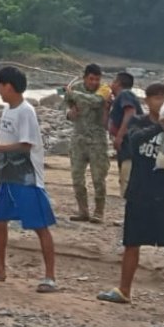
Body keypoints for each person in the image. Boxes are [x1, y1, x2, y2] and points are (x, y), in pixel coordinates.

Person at [97, 83, 164, 317]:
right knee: (131, 244)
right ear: (147, 101)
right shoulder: (139, 122)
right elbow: (133, 141)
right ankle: (124, 291)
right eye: (154, 97)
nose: (159, 102)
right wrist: (158, 128)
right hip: (139, 193)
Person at [0, 66, 58, 292]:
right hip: (8, 176)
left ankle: (50, 277)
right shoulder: (8, 110)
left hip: (27, 177)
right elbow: (7, 142)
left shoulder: (26, 111)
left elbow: (25, 145)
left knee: (40, 226)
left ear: (8, 86)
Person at [64, 63, 110, 223]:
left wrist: (73, 94)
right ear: (85, 78)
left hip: (97, 140)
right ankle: (83, 211)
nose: (94, 82)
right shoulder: (75, 87)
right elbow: (67, 106)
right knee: (77, 177)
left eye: (97, 79)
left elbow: (96, 101)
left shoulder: (104, 89)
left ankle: (99, 212)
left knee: (98, 178)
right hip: (78, 138)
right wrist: (69, 114)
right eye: (91, 79)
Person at [109, 72, 143, 199]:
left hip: (130, 144)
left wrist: (119, 136)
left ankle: (133, 214)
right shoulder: (118, 99)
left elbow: (130, 112)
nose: (111, 85)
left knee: (127, 179)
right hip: (124, 147)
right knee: (125, 178)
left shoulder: (125, 94)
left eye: (113, 81)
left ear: (118, 83)